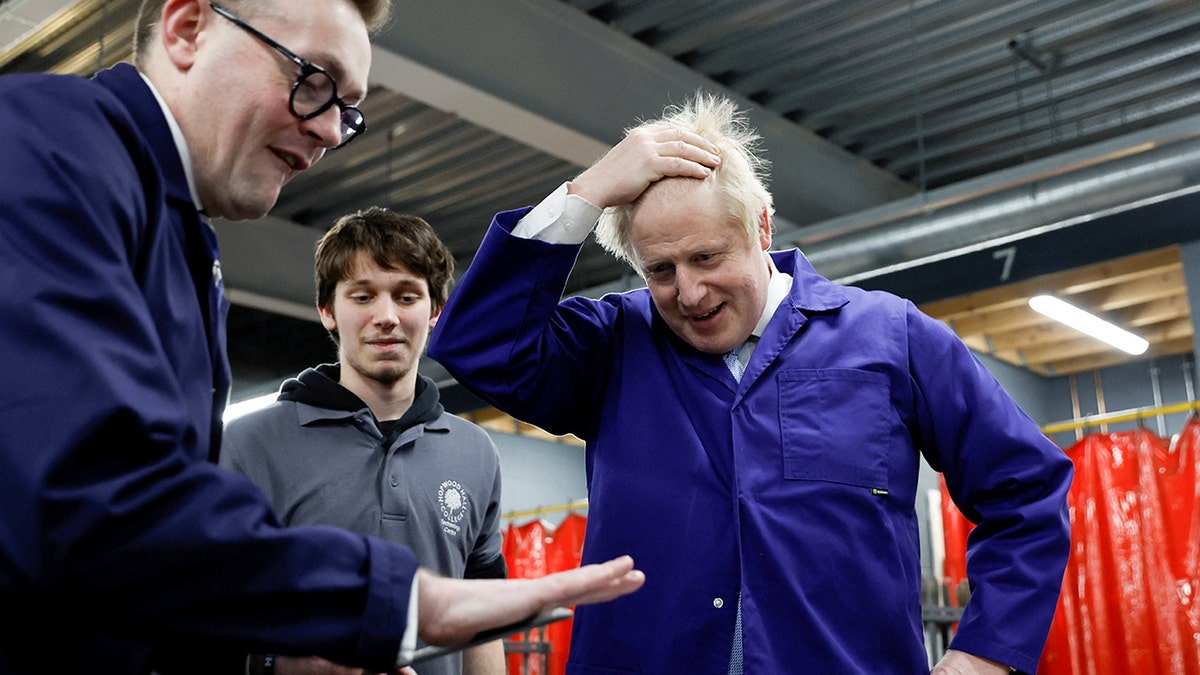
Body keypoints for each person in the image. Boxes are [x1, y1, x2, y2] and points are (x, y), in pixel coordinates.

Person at [0, 0, 644, 673]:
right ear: (187, 27)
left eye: (348, 106)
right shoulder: (51, 145)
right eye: (313, 79)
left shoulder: (186, 246)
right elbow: (89, 492)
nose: (334, 131)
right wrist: (398, 603)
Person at [427, 93, 1074, 674]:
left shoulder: (890, 339)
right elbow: (476, 343)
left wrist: (985, 654)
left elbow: (1029, 490)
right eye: (660, 269)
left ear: (761, 227)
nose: (689, 291)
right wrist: (587, 192)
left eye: (708, 257)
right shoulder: (613, 345)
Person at [221, 207, 507, 675]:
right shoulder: (249, 444)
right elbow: (205, 611)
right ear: (328, 311)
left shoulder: (475, 452)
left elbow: (484, 612)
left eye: (407, 296)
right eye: (363, 296)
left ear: (434, 311)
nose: (387, 317)